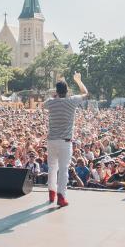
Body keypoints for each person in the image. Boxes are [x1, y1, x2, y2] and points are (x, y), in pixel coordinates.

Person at [45, 72, 88, 207]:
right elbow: (86, 93)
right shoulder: (72, 101)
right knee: (63, 169)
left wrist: (55, 96)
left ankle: (51, 193)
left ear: (57, 91)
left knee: (52, 168)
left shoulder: (50, 102)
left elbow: (43, 104)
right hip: (65, 141)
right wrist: (78, 80)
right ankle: (61, 197)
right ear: (67, 91)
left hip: (51, 141)